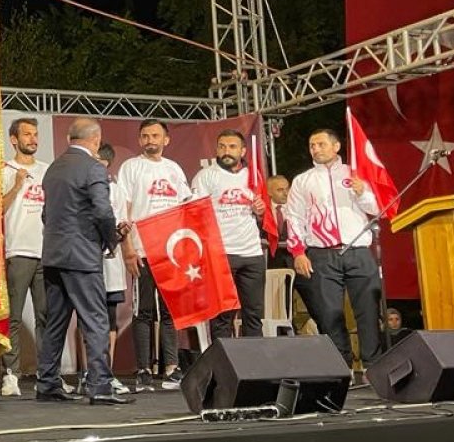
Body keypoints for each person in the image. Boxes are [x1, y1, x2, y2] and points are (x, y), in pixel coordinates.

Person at [36, 118, 132, 406]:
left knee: (56, 322)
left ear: (69, 138)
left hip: (53, 254)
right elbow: (103, 212)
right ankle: (100, 386)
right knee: (96, 319)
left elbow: (46, 215)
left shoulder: (53, 168)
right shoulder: (93, 168)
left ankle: (47, 382)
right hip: (82, 255)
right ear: (96, 139)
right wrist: (110, 240)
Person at [284, 128, 382, 368]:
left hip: (358, 249)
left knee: (368, 310)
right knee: (329, 313)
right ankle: (342, 365)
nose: (315, 149)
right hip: (321, 253)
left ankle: (373, 365)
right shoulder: (303, 180)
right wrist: (298, 252)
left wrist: (361, 192)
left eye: (320, 144)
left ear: (336, 146)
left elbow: (377, 207)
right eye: (312, 145)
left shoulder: (356, 173)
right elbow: (294, 218)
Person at [116, 119, 190, 392]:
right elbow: (123, 207)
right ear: (139, 140)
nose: (150, 140)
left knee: (171, 311)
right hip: (143, 249)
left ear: (166, 140)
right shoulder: (131, 167)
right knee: (143, 312)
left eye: (155, 135)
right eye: (145, 135)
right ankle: (144, 369)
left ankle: (171, 367)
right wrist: (128, 247)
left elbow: (185, 206)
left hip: (170, 251)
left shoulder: (174, 169)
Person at [192, 130, 267, 340]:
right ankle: (224, 367)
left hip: (252, 253)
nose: (226, 151)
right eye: (222, 146)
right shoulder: (206, 176)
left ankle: (254, 367)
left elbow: (263, 216)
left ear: (242, 150)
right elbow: (195, 215)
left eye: (232, 147)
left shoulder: (253, 176)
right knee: (223, 316)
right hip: (221, 254)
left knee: (254, 314)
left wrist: (260, 211)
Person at [0, 117, 49, 397]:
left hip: (46, 251)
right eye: (27, 134)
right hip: (17, 250)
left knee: (47, 316)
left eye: (35, 134)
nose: (33, 139)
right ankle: (11, 374)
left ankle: (47, 372)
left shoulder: (46, 170)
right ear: (14, 140)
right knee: (13, 317)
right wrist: (17, 185)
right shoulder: (4, 170)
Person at [97, 144, 131, 395]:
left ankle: (106, 371)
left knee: (109, 319)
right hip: (86, 263)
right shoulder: (80, 186)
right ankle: (91, 371)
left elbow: (120, 222)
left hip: (111, 264)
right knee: (89, 318)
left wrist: (121, 232)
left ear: (107, 162)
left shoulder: (115, 190)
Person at [267, 174, 320, 334]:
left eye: (287, 188)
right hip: (274, 264)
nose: (286, 193)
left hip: (299, 261)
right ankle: (285, 338)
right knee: (281, 306)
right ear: (269, 192)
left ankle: (326, 332)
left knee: (315, 301)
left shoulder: (297, 207)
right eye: (280, 190)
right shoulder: (262, 211)